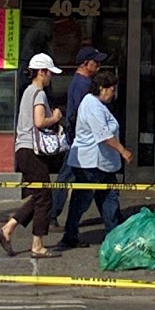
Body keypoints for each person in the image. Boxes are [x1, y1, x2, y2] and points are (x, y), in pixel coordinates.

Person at [0, 53, 64, 258]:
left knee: (39, 195)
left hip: (23, 149)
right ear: (41, 72)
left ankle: (8, 229)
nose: (50, 77)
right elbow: (39, 121)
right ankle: (37, 245)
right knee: (45, 197)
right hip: (31, 150)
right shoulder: (39, 93)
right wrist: (55, 117)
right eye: (49, 73)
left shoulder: (27, 91)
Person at [58, 66, 131, 249]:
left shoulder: (97, 105)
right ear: (102, 88)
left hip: (101, 162)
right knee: (84, 199)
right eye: (111, 90)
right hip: (90, 162)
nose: (113, 95)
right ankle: (71, 235)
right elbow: (103, 134)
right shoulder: (92, 105)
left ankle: (113, 233)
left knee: (108, 196)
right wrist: (123, 151)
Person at [51, 45, 104, 224]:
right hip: (79, 140)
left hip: (76, 137)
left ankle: (53, 214)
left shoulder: (78, 81)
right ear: (85, 63)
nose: (98, 66)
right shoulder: (84, 85)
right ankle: (51, 214)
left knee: (71, 176)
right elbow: (82, 115)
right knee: (69, 176)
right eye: (95, 62)